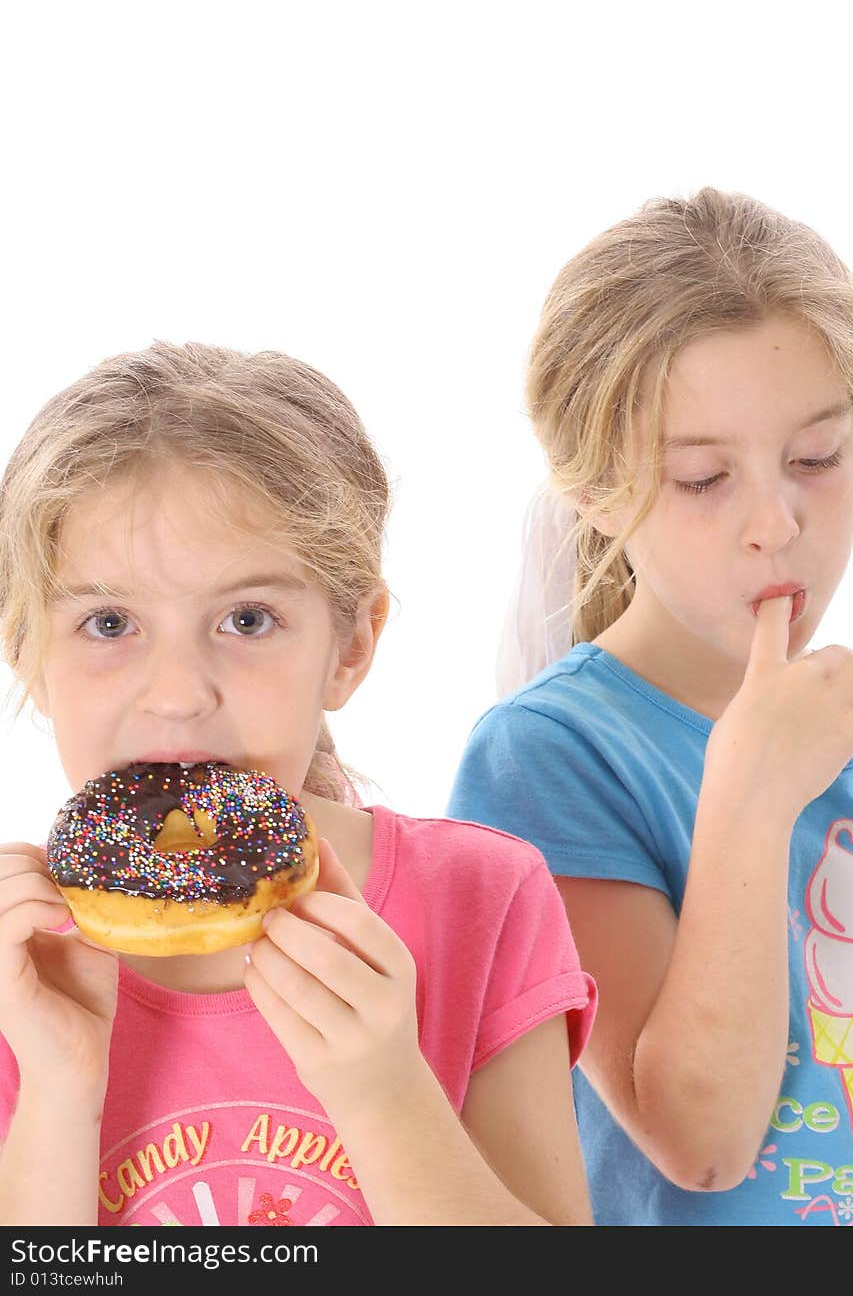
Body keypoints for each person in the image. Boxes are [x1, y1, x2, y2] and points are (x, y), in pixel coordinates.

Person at [0, 341, 595, 1229]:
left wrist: (386, 1098)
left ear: (350, 647)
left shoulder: (482, 902)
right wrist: (56, 1093)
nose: (177, 694)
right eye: (109, 621)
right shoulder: (19, 957)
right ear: (28, 650)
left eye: (248, 619)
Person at [447, 188, 853, 1226]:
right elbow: (699, 1141)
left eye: (815, 460)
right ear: (596, 493)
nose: (775, 523)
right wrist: (749, 789)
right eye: (700, 479)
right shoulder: (545, 755)